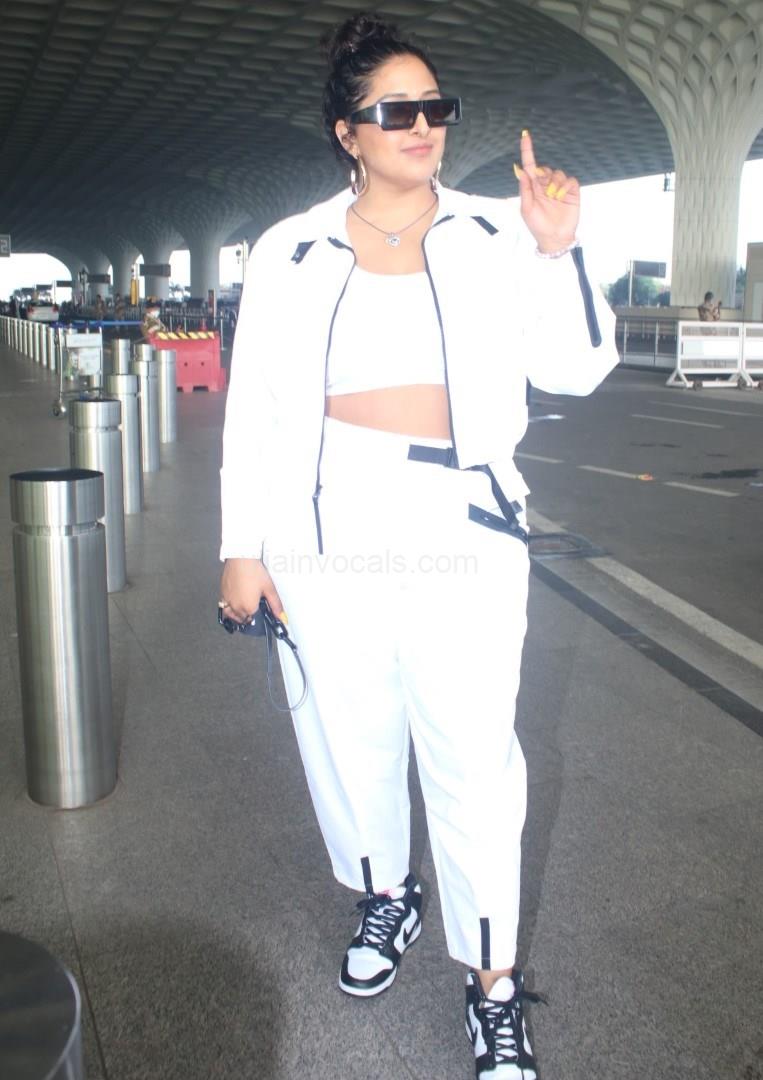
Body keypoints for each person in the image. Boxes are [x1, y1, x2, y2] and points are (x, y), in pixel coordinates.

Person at [219, 15, 618, 1079]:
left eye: (434, 107)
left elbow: (577, 370)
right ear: (346, 131)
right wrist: (241, 545)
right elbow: (256, 408)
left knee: (474, 757)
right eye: (395, 110)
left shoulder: (496, 231)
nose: (422, 125)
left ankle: (492, 983)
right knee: (346, 733)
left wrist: (556, 247)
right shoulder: (291, 248)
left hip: (462, 522)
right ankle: (386, 892)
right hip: (328, 521)